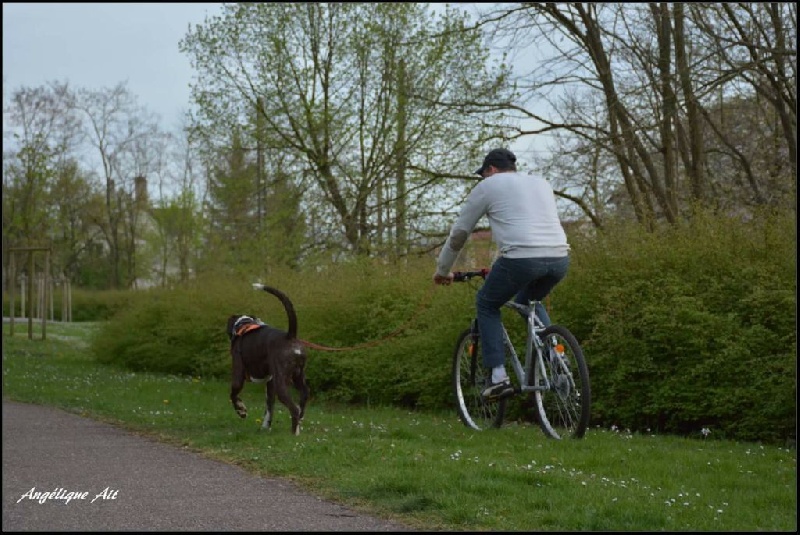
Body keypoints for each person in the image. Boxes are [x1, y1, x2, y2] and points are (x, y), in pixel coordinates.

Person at [433, 148, 570, 400]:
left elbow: (459, 235)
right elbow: (523, 228)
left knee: (486, 303)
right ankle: (556, 356)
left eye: (484, 174)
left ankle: (498, 377)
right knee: (528, 300)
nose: (484, 179)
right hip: (560, 258)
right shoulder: (541, 183)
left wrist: (442, 271)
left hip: (520, 260)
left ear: (491, 170)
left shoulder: (489, 186)